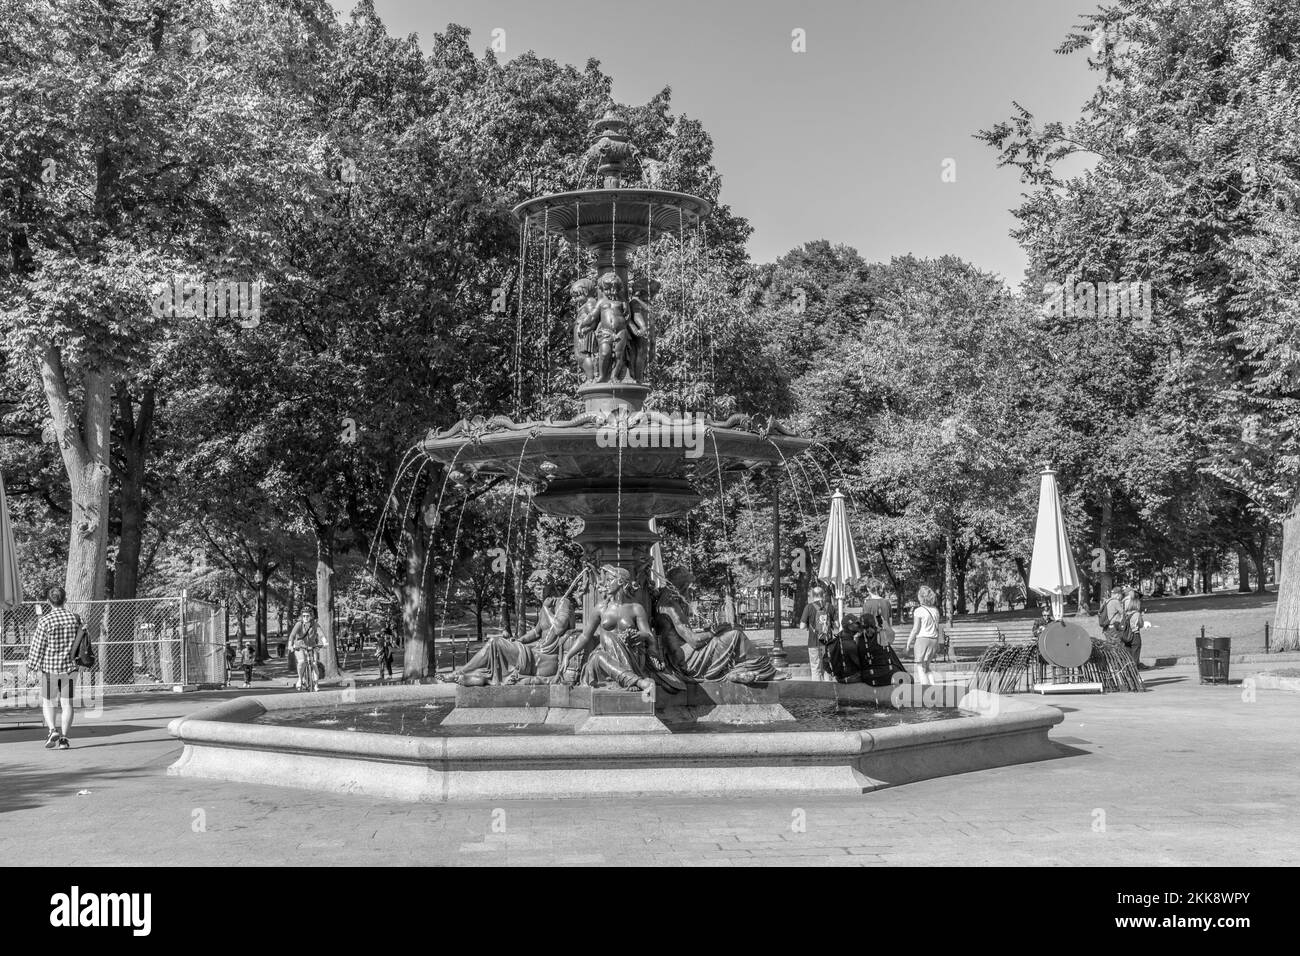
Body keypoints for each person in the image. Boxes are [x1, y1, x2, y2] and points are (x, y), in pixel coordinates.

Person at [652, 567, 785, 684]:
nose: (689, 591)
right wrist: (714, 631)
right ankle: (766, 671)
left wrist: (714, 631)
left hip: (684, 656)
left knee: (729, 631)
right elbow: (694, 641)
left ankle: (737, 672)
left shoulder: (668, 603)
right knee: (735, 635)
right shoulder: (670, 607)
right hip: (688, 661)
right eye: (688, 587)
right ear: (682, 586)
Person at [25, 587, 86, 750]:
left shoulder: (45, 621)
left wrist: (31, 666)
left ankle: (52, 730)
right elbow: (82, 641)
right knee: (67, 704)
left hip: (50, 668)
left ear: (48, 602)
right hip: (70, 667)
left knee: (48, 702)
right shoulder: (75, 619)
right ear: (65, 600)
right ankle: (64, 739)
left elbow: (37, 646)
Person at [905, 585, 944, 687]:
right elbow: (937, 627)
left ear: (921, 597)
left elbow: (915, 629)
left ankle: (925, 690)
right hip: (934, 640)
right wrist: (939, 642)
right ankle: (933, 686)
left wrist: (908, 643)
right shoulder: (935, 610)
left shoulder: (919, 611)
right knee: (927, 667)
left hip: (922, 640)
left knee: (920, 668)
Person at [799, 586, 836, 682]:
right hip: (828, 642)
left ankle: (817, 692)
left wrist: (809, 626)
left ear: (812, 595)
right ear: (823, 595)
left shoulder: (808, 607)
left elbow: (802, 626)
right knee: (827, 668)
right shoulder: (830, 606)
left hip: (813, 642)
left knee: (815, 668)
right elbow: (837, 624)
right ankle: (829, 691)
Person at [288, 609, 323, 691]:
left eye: (307, 616)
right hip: (300, 647)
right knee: (302, 661)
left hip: (312, 646)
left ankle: (316, 684)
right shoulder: (299, 624)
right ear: (301, 616)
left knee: (314, 664)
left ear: (311, 616)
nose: (305, 617)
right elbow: (292, 635)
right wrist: (290, 645)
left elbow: (321, 633)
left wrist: (325, 642)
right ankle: (300, 679)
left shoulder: (315, 624)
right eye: (304, 616)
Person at [860, 579, 896, 648]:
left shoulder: (867, 604)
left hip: (872, 638)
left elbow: (864, 623)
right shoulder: (887, 602)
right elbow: (890, 621)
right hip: (885, 636)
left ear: (868, 589)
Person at [1122, 589, 1149, 669]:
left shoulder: (1126, 614)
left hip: (1126, 635)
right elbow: (1140, 625)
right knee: (1135, 653)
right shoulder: (1137, 614)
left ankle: (1128, 667)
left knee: (1129, 653)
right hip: (1135, 635)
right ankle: (1134, 668)